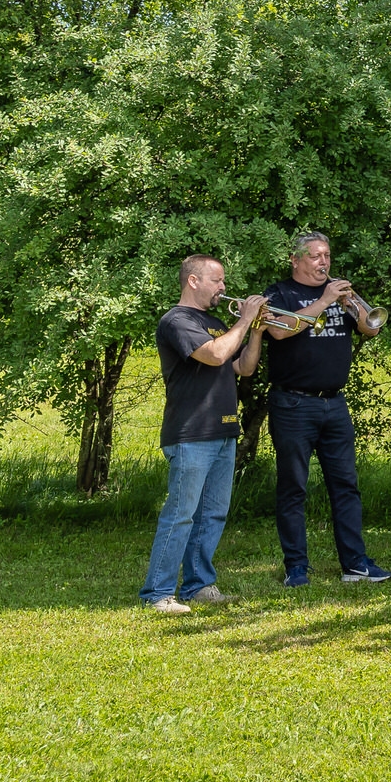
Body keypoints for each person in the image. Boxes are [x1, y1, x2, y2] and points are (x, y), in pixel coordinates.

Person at [262, 231, 391, 587]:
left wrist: (356, 305)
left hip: (334, 403)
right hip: (293, 403)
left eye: (327, 256)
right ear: (295, 259)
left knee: (346, 486)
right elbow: (280, 331)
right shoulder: (279, 293)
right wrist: (324, 300)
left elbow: (370, 329)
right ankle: (296, 567)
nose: (324, 263)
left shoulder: (338, 292)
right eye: (316, 256)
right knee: (293, 488)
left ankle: (355, 564)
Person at [140, 256, 263, 614]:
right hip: (191, 432)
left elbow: (243, 366)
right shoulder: (176, 321)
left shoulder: (215, 322)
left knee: (212, 514)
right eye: (217, 280)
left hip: (223, 430)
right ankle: (158, 593)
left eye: (223, 281)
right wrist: (243, 320)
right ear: (193, 281)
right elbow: (214, 355)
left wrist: (255, 330)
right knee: (181, 514)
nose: (223, 287)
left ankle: (199, 586)